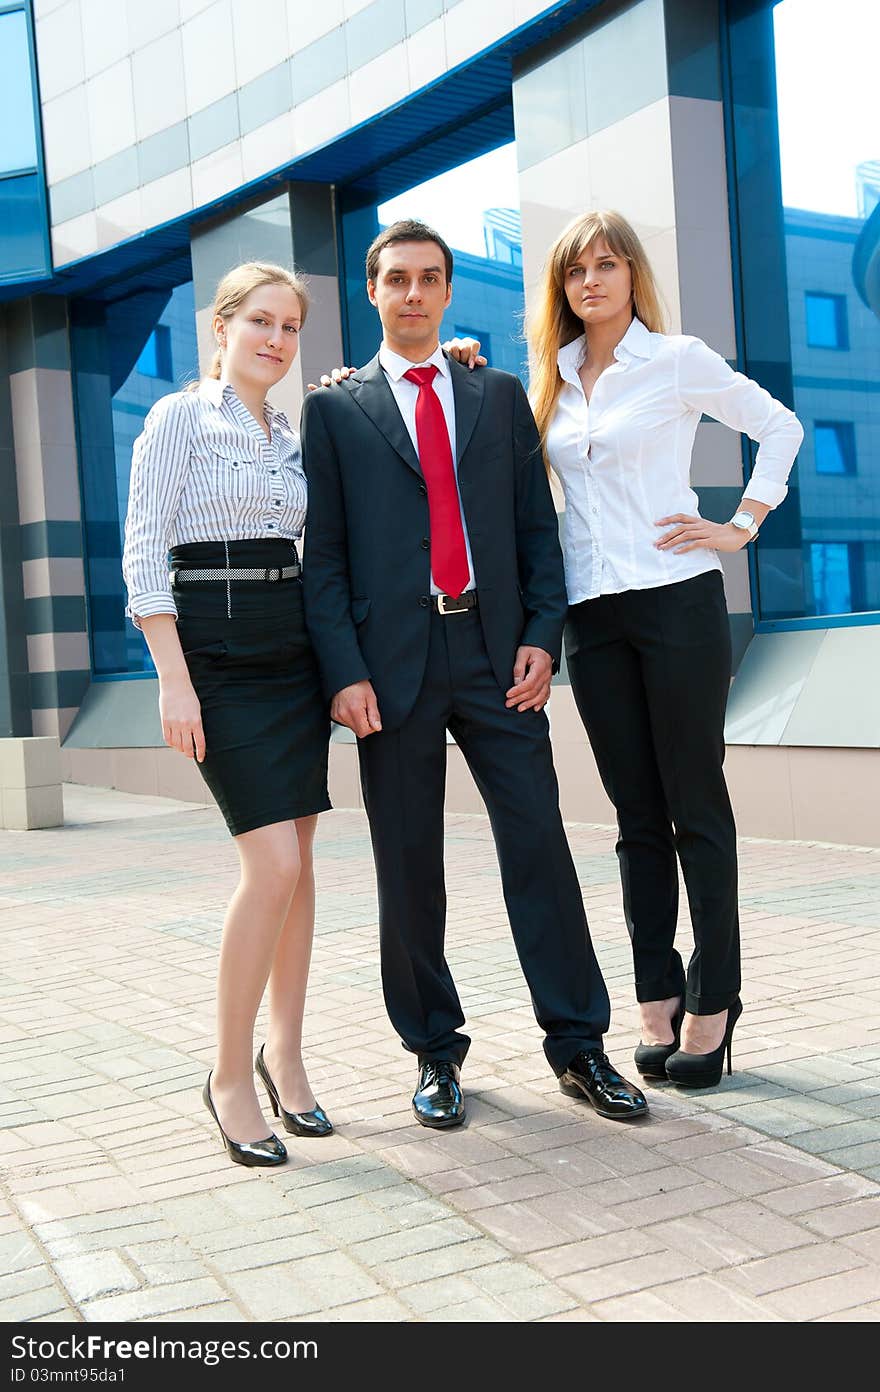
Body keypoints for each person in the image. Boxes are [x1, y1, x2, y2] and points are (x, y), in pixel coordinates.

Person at [301, 218, 647, 1129]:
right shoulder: (334, 410)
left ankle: (580, 1046)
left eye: (429, 279)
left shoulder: (495, 397)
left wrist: (543, 633)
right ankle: (434, 1052)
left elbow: (539, 530)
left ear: (449, 291)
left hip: (500, 660)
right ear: (371, 293)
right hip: (389, 670)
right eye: (396, 280)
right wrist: (343, 672)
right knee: (407, 866)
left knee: (539, 849)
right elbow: (324, 557)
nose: (413, 294)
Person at [525, 209, 803, 1088]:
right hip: (593, 618)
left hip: (677, 604)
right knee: (634, 817)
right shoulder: (554, 382)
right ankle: (656, 995)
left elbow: (780, 427)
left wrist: (741, 525)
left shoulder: (675, 359)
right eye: (576, 271)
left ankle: (714, 1001)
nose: (590, 282)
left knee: (694, 804)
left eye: (606, 265)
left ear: (631, 274)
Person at [122, 261, 334, 1166]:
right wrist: (174, 679)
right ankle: (227, 1075)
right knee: (270, 861)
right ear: (222, 327)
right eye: (260, 321)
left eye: (289, 326)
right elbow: (142, 557)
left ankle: (284, 1052)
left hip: (292, 654)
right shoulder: (179, 418)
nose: (275, 340)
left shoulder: (291, 431)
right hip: (214, 654)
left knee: (303, 861)